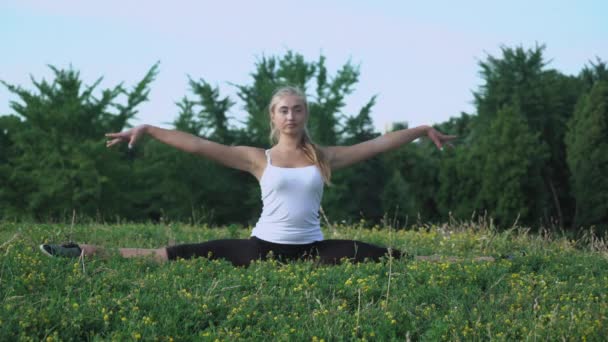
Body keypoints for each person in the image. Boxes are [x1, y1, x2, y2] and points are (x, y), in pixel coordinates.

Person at [40, 86, 472, 266]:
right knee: (169, 255)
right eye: (283, 109)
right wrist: (148, 129)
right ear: (274, 116)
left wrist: (419, 131)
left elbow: (376, 146)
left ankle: (485, 260)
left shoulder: (324, 156)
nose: (291, 115)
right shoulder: (257, 158)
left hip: (313, 251)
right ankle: (83, 251)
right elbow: (199, 145)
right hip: (260, 248)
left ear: (305, 115)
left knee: (402, 259)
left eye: (297, 109)